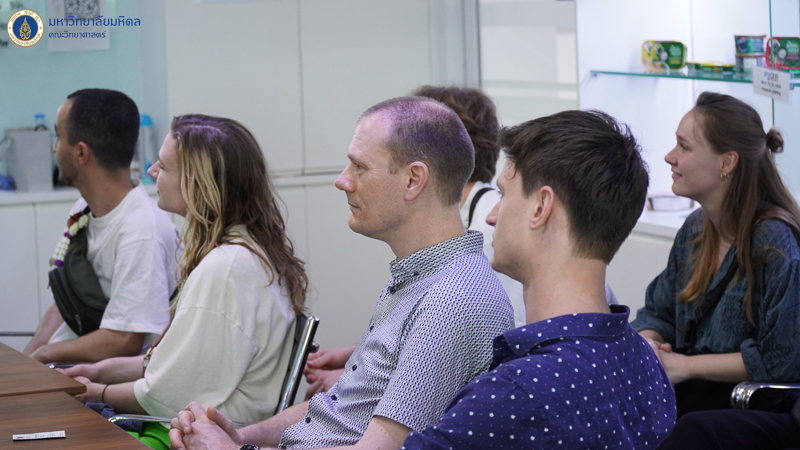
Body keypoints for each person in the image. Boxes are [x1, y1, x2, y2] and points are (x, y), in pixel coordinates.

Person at [169, 96, 515, 450]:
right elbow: (338, 407)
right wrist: (241, 437)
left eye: (359, 167)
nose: (342, 181)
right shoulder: (418, 277)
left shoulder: (451, 299)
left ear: (413, 180)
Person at [303, 85, 619, 400]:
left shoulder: (500, 239)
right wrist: (356, 360)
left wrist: (351, 386)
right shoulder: (446, 243)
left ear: (419, 172)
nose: (344, 181)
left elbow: (489, 342)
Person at [401, 109, 675, 450]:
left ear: (541, 207)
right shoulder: (645, 361)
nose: (491, 216)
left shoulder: (513, 395)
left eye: (503, 195)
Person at [60, 114, 309, 449]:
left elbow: (165, 397)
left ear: (197, 183)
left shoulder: (225, 268)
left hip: (181, 436)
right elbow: (173, 367)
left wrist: (95, 391)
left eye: (163, 166)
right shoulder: (247, 252)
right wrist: (97, 371)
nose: (152, 172)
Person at [631, 92, 800, 417]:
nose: (669, 156)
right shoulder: (695, 228)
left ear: (727, 163)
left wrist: (684, 367)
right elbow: (659, 312)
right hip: (690, 395)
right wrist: (650, 346)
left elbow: (780, 361)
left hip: (746, 410)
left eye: (684, 147)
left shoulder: (775, 243)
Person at [24, 89, 180, 364]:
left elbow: (125, 340)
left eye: (59, 138)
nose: (54, 148)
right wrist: (30, 355)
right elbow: (68, 303)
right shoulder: (83, 209)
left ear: (81, 153)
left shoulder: (141, 230)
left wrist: (46, 355)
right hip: (69, 363)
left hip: (107, 377)